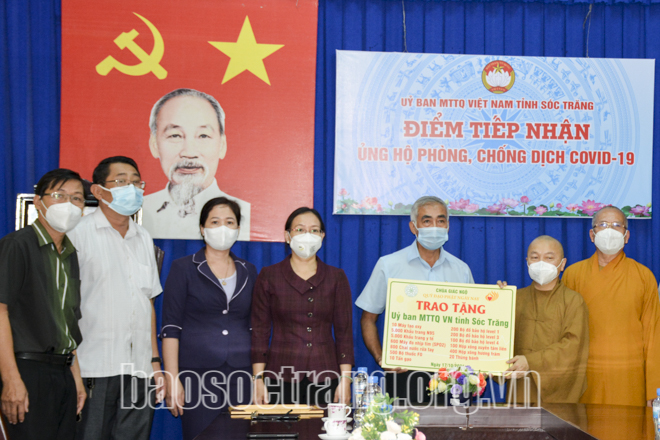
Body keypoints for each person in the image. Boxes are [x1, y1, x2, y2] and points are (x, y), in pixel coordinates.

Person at [68, 157, 164, 440]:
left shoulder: (143, 237)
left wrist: (155, 364)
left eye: (136, 182)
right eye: (121, 181)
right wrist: (73, 372)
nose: (131, 188)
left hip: (139, 370)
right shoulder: (78, 234)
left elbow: (147, 302)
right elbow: (65, 307)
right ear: (98, 191)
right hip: (93, 367)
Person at [355, 195, 474, 405]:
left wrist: (498, 299)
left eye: (441, 220)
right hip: (404, 372)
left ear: (448, 226)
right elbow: (367, 319)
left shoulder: (461, 270)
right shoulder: (389, 265)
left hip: (451, 375)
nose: (434, 226)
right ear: (413, 226)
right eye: (427, 221)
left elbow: (473, 323)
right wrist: (382, 359)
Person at [0, 169, 87, 439]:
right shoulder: (18, 245)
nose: (69, 205)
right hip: (27, 370)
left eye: (77, 199)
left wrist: (77, 379)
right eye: (59, 196)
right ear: (38, 201)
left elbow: (67, 323)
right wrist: (11, 379)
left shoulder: (69, 254)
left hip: (62, 372)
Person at [161, 197, 257, 440]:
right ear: (202, 229)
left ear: (237, 229)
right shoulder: (183, 267)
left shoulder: (249, 270)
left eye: (229, 222)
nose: (222, 228)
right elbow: (171, 327)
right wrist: (172, 378)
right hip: (197, 375)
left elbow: (257, 326)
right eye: (214, 222)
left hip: (241, 374)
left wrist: (258, 377)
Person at [251, 207, 353, 407]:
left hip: (326, 375)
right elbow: (259, 332)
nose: (307, 235)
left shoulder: (336, 277)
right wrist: (258, 379)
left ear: (322, 236)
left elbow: (345, 333)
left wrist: (346, 380)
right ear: (287, 236)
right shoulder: (269, 276)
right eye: (300, 229)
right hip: (279, 375)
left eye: (314, 230)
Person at [562, 206, 660, 407]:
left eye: (617, 225)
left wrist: (654, 388)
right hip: (584, 376)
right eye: (603, 225)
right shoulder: (573, 275)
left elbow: (653, 336)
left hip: (629, 376)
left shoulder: (643, 276)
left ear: (626, 236)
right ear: (592, 234)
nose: (609, 230)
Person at [142, 88, 251, 241]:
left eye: (203, 135)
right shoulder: (140, 210)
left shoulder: (246, 213)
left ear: (222, 146)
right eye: (175, 135)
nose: (189, 152)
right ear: (154, 145)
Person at [504, 235, 589, 404]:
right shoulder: (515, 297)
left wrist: (530, 361)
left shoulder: (573, 301)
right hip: (520, 390)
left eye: (549, 258)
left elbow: (573, 347)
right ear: (527, 261)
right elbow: (498, 339)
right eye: (535, 258)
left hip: (558, 395)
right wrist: (498, 301)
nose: (541, 263)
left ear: (562, 263)